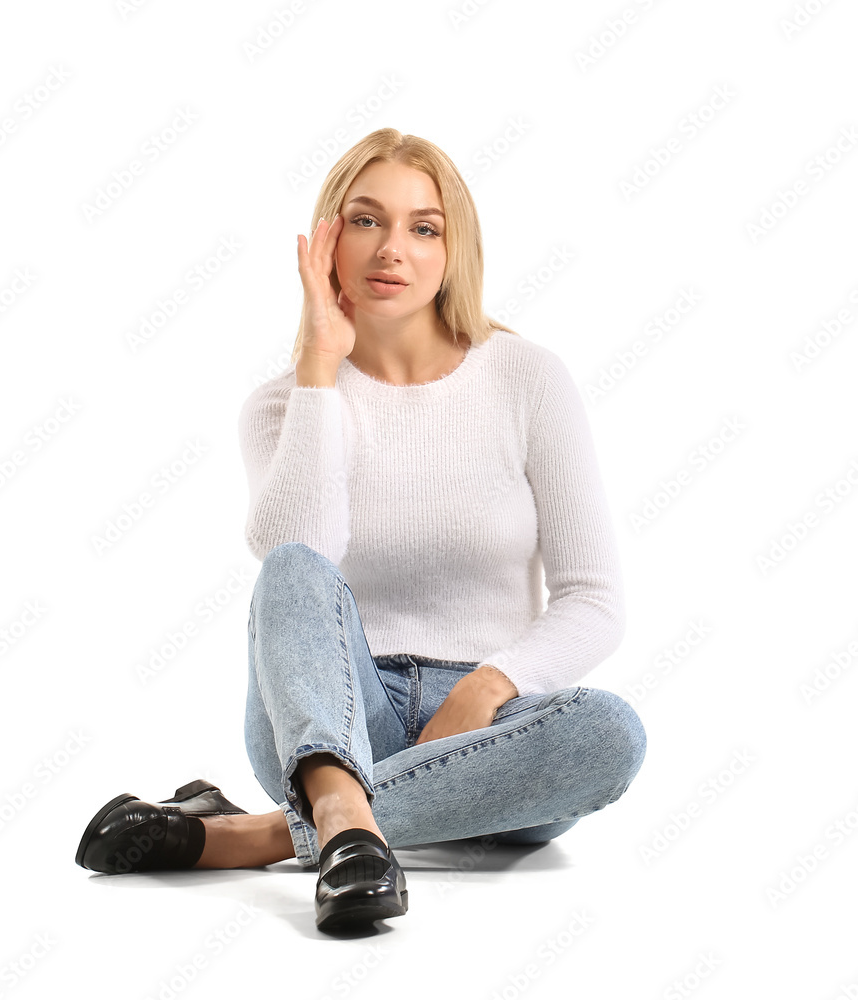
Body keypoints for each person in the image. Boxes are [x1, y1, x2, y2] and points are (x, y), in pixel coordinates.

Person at [74, 127, 647, 935]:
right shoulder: (282, 406)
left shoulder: (526, 379)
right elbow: (297, 554)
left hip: (492, 725)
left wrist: (490, 683)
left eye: (423, 227)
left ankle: (267, 832)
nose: (391, 250)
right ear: (326, 241)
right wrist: (319, 369)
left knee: (608, 734)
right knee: (294, 567)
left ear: (454, 249)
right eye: (366, 220)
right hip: (327, 714)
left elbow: (594, 600)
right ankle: (337, 806)